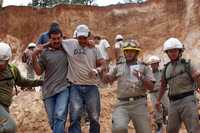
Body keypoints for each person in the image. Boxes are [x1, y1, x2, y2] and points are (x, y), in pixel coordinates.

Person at [103, 40, 155, 133]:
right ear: (124, 52)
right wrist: (103, 71)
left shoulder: (143, 66)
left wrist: (141, 76)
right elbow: (108, 80)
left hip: (139, 103)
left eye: (132, 51)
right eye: (127, 51)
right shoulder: (118, 66)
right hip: (122, 104)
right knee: (118, 128)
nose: (129, 53)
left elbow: (151, 87)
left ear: (136, 52)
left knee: (145, 131)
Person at [62, 24, 106, 133]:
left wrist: (97, 70)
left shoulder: (94, 48)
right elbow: (56, 41)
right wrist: (40, 48)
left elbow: (103, 64)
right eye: (79, 38)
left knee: (94, 117)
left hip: (92, 86)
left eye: (84, 38)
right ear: (76, 36)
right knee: (74, 117)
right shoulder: (70, 44)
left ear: (89, 36)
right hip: (75, 86)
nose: (82, 40)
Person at [156, 37, 200, 133]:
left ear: (180, 51)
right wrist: (158, 100)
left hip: (188, 100)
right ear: (167, 53)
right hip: (173, 103)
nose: (172, 53)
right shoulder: (166, 68)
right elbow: (163, 86)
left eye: (175, 50)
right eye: (170, 51)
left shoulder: (187, 64)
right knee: (171, 130)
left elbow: (197, 78)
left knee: (193, 129)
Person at [32, 26, 70, 133]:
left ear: (62, 38)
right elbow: (39, 72)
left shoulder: (66, 50)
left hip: (63, 88)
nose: (56, 41)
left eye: (58, 38)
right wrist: (34, 56)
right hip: (48, 91)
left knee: (60, 115)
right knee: (53, 122)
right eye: (54, 39)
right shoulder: (44, 54)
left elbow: (77, 42)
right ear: (49, 39)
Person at [0, 42, 43, 133]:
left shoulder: (12, 70)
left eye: (2, 61)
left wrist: (40, 82)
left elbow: (23, 82)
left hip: (5, 107)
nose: (0, 64)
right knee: (10, 127)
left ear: (8, 59)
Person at [147, 55, 169, 132]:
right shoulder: (148, 74)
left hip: (163, 91)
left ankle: (165, 117)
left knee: (167, 107)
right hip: (152, 93)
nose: (154, 65)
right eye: (152, 64)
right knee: (156, 109)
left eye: (155, 63)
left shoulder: (162, 72)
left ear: (158, 64)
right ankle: (159, 125)